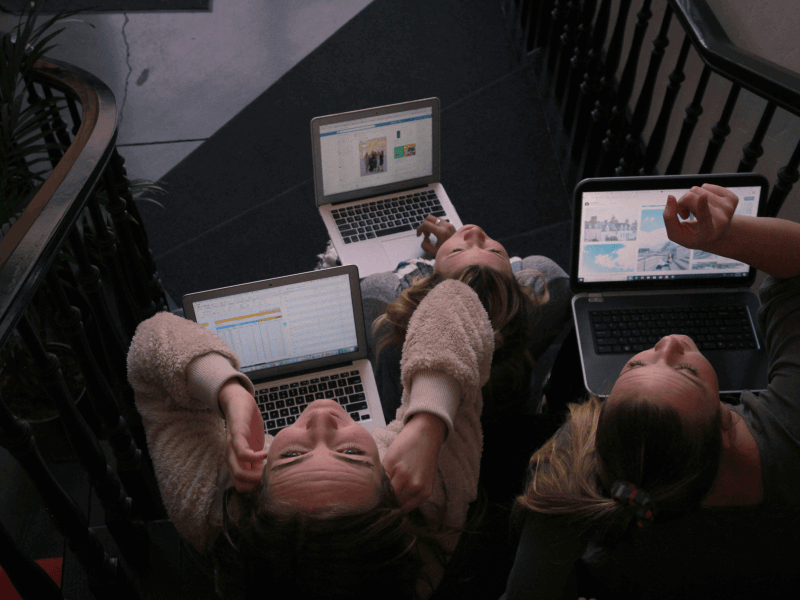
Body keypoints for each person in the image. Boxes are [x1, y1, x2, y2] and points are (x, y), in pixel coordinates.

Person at [501, 184, 800, 599]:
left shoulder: (571, 471)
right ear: (724, 425)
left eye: (637, 364)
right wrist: (726, 238)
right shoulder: (790, 435)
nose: (666, 344)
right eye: (686, 373)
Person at [128, 275, 495, 599]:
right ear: (393, 488)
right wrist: (429, 422)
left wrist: (230, 393)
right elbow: (455, 297)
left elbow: (151, 337)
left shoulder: (212, 509)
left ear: (257, 490)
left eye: (290, 457)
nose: (321, 415)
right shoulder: (431, 502)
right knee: (377, 295)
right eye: (352, 452)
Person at [360, 215, 572, 425]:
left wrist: (444, 254)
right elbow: (531, 272)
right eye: (494, 251)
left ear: (425, 288)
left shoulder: (382, 307)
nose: (475, 232)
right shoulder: (551, 288)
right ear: (519, 292)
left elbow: (397, 282)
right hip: (507, 419)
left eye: (457, 251)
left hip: (403, 421)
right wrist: (453, 256)